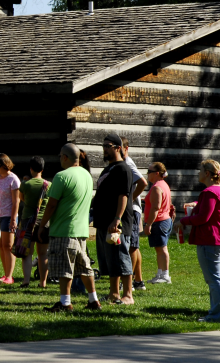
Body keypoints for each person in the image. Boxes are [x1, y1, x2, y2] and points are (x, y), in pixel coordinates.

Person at [38, 144, 100, 312]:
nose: (59, 159)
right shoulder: (87, 175)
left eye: (60, 156)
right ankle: (93, 300)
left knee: (64, 268)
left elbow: (51, 205)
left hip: (63, 229)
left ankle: (65, 303)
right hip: (81, 230)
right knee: (84, 267)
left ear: (65, 157)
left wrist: (42, 225)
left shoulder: (61, 176)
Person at [180, 159, 220, 323]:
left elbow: (203, 217)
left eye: (201, 170)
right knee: (214, 277)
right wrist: (196, 204)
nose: (198, 173)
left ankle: (217, 316)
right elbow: (213, 208)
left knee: (214, 278)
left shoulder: (209, 192)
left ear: (207, 174)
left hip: (211, 239)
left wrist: (183, 221)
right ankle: (215, 313)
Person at [92, 133, 134, 305]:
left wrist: (117, 218)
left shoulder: (123, 169)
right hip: (103, 222)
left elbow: (123, 195)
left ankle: (128, 295)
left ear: (118, 148)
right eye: (103, 146)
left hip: (117, 224)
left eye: (107, 146)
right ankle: (114, 293)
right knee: (110, 259)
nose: (104, 149)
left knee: (121, 257)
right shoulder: (108, 169)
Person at [121, 137, 148, 291]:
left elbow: (142, 183)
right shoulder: (125, 163)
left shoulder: (128, 164)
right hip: (134, 210)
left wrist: (129, 201)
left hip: (132, 210)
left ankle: (129, 282)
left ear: (126, 148)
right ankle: (138, 281)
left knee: (131, 247)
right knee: (134, 247)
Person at [18, 156, 49, 288]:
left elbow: (22, 199)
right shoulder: (49, 185)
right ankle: (43, 282)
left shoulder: (25, 185)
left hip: (27, 222)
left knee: (27, 253)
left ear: (31, 169)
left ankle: (26, 280)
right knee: (42, 254)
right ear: (42, 169)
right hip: (44, 222)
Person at [0, 153, 21, 284]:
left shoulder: (13, 179)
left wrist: (14, 219)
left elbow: (16, 201)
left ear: (5, 165)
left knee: (8, 246)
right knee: (1, 245)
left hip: (9, 215)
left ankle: (10, 276)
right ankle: (5, 274)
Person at [143, 162, 173, 284]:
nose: (147, 174)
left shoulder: (156, 187)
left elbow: (155, 207)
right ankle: (160, 273)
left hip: (159, 221)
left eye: (149, 172)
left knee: (162, 249)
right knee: (159, 249)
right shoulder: (163, 185)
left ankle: (165, 275)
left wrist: (148, 224)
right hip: (164, 220)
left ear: (156, 173)